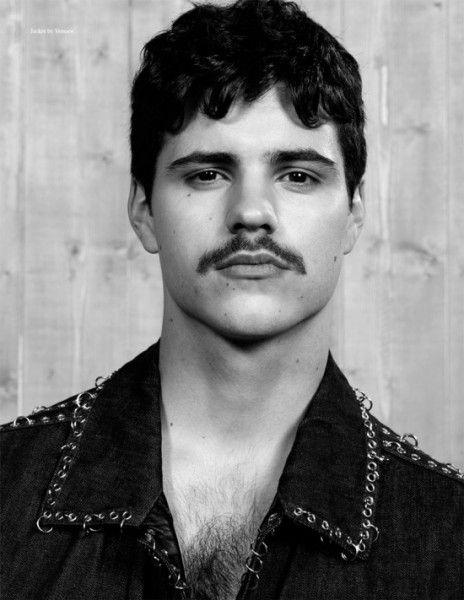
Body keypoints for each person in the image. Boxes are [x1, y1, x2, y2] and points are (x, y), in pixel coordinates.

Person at [1, 0, 462, 598]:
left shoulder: (449, 535)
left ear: (353, 213)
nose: (250, 212)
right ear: (143, 210)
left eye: (298, 175)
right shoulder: (7, 490)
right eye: (207, 174)